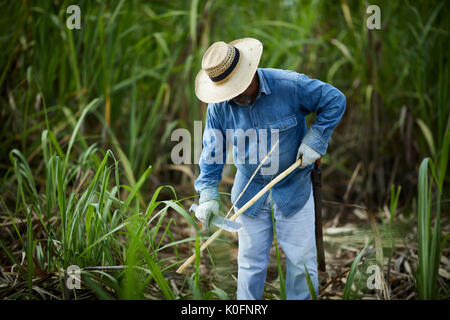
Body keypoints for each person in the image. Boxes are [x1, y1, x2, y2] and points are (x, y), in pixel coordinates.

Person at [193, 38, 346, 300]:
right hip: (249, 191)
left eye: (236, 87)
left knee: (301, 263)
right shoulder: (219, 107)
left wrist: (316, 139)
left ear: (249, 72)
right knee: (250, 264)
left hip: (293, 186)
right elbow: (212, 150)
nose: (232, 95)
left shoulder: (290, 85)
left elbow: (334, 100)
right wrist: (207, 192)